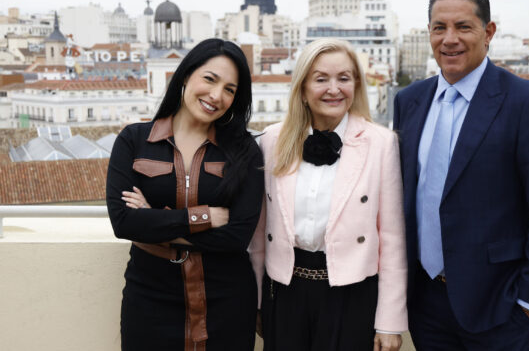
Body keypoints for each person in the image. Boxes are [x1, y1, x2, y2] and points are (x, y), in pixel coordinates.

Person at [393, 0, 529, 351]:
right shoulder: (409, 101)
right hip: (425, 304)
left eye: (463, 27)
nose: (449, 39)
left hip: (499, 307)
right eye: (439, 28)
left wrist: (527, 302)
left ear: (488, 31)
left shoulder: (528, 103)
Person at [249, 38, 407, 351]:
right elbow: (258, 235)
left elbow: (392, 239)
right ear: (303, 88)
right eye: (321, 79)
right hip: (284, 291)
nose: (333, 89)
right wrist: (255, 302)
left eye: (344, 79)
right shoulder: (271, 140)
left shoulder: (380, 143)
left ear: (357, 85)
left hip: (352, 293)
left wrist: (389, 322)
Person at [106, 38, 264, 351]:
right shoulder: (134, 140)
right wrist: (204, 216)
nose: (216, 96)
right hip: (150, 297)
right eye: (210, 79)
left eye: (230, 90)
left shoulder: (245, 150)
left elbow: (236, 237)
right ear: (186, 75)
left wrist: (155, 220)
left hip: (226, 299)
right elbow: (124, 223)